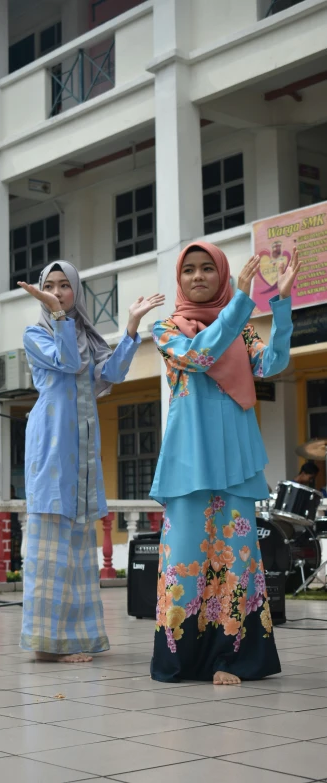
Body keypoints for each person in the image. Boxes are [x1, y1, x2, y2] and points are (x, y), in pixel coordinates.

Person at [149, 242, 300, 685]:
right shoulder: (166, 328)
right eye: (190, 270)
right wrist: (242, 303)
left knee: (237, 562)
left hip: (236, 458)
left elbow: (272, 364)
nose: (198, 277)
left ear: (222, 274)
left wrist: (282, 305)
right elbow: (199, 356)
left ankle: (231, 658)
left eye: (207, 269)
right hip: (189, 459)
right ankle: (183, 658)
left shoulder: (242, 328)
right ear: (180, 279)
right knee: (185, 561)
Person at [18, 261, 164, 663]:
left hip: (82, 448)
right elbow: (67, 363)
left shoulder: (83, 334)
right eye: (51, 286)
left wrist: (131, 327)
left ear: (77, 291)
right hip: (51, 443)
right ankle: (47, 644)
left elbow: (111, 372)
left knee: (79, 548)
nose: (59, 292)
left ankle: (76, 639)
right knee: (51, 545)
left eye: (66, 286)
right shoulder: (38, 333)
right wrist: (60, 317)